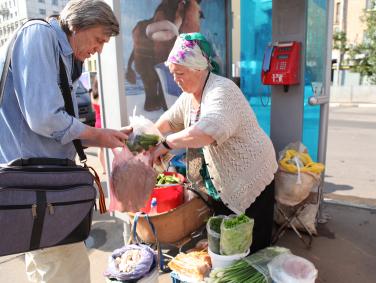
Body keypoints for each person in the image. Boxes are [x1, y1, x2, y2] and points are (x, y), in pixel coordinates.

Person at [0, 1, 130, 282]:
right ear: (78, 24)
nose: (99, 49)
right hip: (38, 183)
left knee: (45, 265)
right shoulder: (39, 35)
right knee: (66, 270)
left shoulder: (59, 51)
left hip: (39, 183)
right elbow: (44, 117)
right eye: (99, 39)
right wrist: (97, 135)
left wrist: (102, 136)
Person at [152, 33, 278, 253]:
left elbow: (210, 130)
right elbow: (168, 121)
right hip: (223, 180)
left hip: (251, 173)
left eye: (180, 73)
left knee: (251, 242)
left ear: (199, 68)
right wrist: (144, 137)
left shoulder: (222, 91)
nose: (175, 79)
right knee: (228, 237)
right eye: (173, 74)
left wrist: (166, 144)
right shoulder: (189, 96)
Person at [90, 76, 107, 174]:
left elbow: (94, 108)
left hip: (98, 122)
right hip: (104, 122)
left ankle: (104, 169)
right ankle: (108, 167)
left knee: (101, 148)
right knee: (108, 147)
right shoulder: (103, 94)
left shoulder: (92, 94)